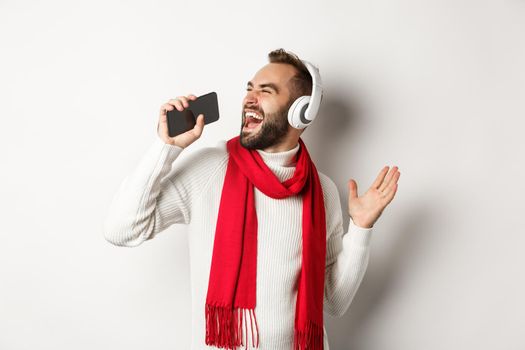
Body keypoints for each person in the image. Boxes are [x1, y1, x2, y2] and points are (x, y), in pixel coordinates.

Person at [103, 48, 400, 350]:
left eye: (265, 91)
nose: (249, 99)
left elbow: (335, 301)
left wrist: (361, 229)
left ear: (302, 111)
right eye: (249, 89)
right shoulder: (210, 168)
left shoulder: (322, 190)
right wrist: (165, 147)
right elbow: (121, 230)